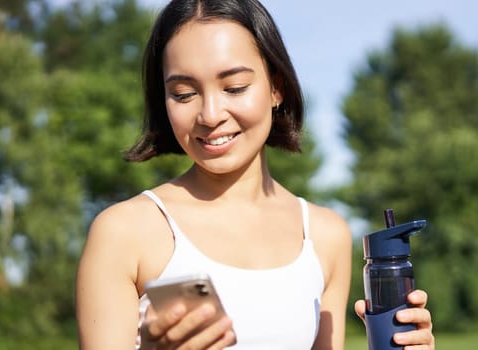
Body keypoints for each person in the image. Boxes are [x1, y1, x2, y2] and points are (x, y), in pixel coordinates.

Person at [75, 0, 435, 348]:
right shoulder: (125, 232)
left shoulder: (326, 236)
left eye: (234, 87)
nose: (210, 114)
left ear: (276, 87)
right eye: (184, 94)